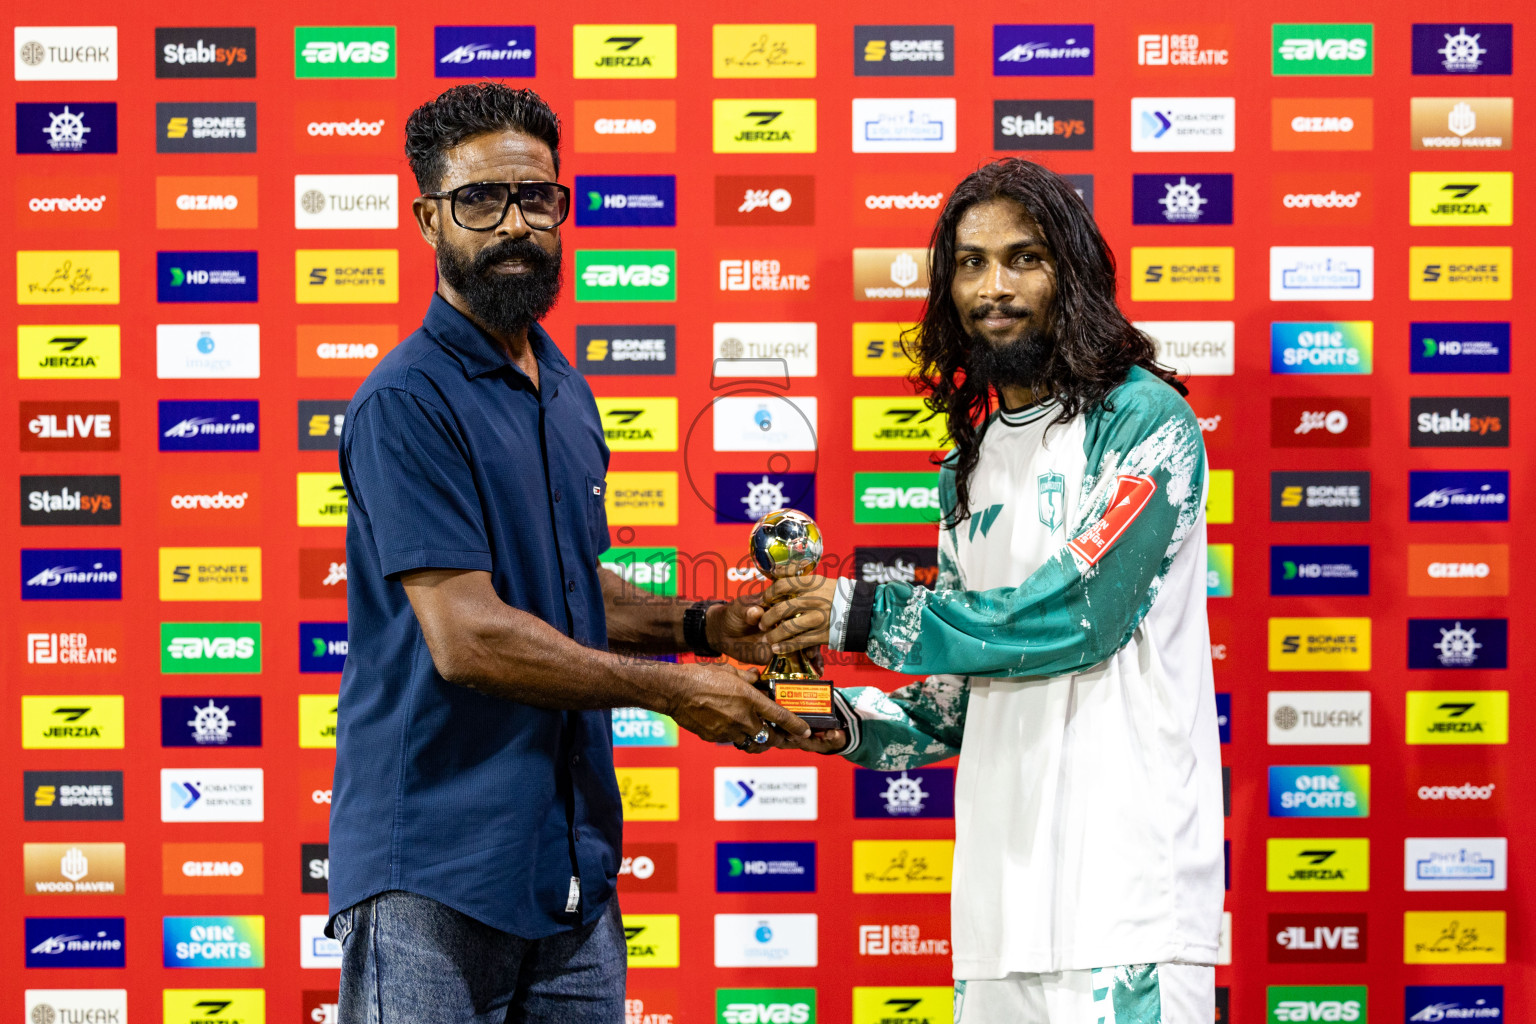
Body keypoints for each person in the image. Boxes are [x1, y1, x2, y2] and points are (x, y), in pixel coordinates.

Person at [327, 83, 806, 1024]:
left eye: (535, 198)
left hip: (571, 865)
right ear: (428, 218)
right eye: (480, 201)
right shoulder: (405, 401)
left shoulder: (566, 392)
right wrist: (673, 691)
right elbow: (469, 634)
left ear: (561, 206)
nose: (514, 224)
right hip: (433, 868)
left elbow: (563, 588)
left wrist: (706, 625)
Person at [752, 159, 1223, 1023]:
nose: (992, 287)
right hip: (997, 916)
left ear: (1071, 271)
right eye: (970, 263)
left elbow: (1080, 612)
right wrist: (809, 710)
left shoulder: (1145, 421)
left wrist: (859, 611)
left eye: (1023, 258)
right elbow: (947, 711)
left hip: (1128, 908)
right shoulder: (965, 465)